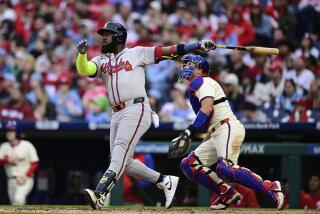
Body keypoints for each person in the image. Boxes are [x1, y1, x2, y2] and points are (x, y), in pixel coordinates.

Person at [75, 21, 216, 209]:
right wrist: (82, 55)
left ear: (118, 36)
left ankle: (100, 194)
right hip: (116, 113)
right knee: (123, 162)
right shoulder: (101, 61)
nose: (103, 37)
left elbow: (168, 51)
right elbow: (85, 69)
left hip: (136, 108)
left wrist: (195, 46)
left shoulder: (136, 53)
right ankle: (164, 181)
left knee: (119, 155)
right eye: (103, 34)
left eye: (107, 34)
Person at [171, 54, 284, 210]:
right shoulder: (194, 89)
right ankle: (226, 192)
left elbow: (207, 108)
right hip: (217, 132)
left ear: (201, 70)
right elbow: (210, 121)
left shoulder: (204, 81)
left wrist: (189, 131)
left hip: (228, 126)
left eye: (191, 64)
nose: (185, 67)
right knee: (188, 164)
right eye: (184, 64)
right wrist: (203, 143)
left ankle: (269, 187)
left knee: (225, 169)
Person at [0, 121, 39, 205]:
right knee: (14, 204)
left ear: (17, 132)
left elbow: (35, 162)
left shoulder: (27, 145)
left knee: (19, 199)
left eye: (11, 131)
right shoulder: (4, 146)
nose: (8, 133)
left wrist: (26, 175)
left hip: (25, 178)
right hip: (11, 179)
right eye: (7, 131)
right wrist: (7, 160)